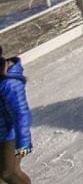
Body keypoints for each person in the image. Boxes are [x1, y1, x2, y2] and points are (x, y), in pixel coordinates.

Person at [0, 48, 32, 184]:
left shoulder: (9, 84)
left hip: (9, 136)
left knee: (8, 173)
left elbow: (21, 114)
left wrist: (23, 143)